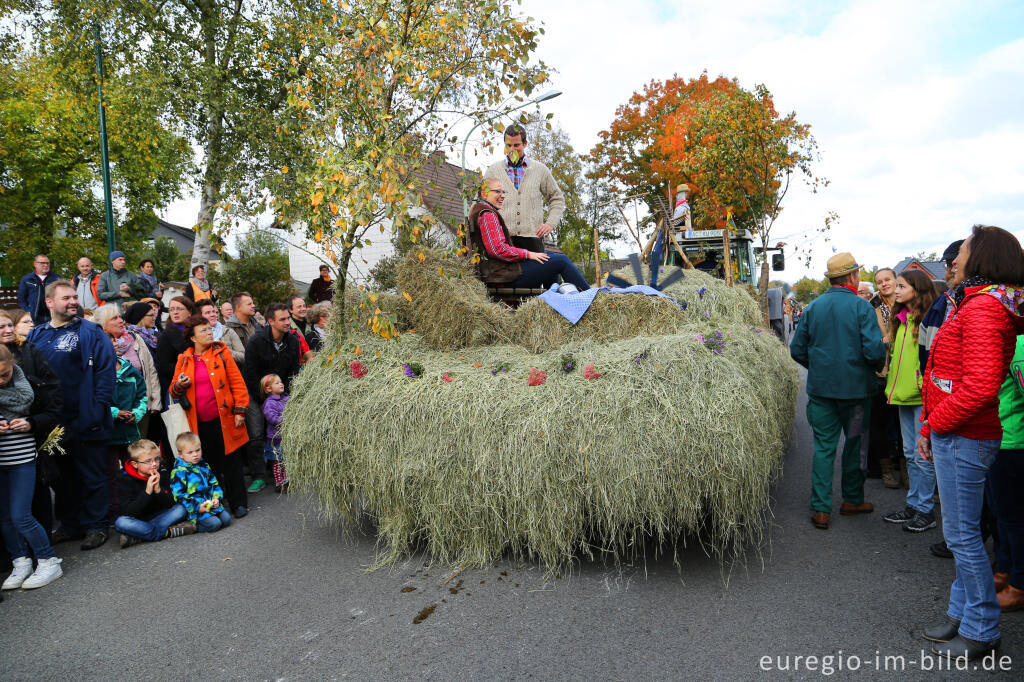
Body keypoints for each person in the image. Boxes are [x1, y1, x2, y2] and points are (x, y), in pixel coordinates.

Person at [919, 225, 1024, 660]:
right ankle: (961, 614)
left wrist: (934, 425)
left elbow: (980, 386)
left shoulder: (983, 309)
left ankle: (981, 629)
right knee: (964, 535)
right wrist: (932, 425)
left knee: (962, 536)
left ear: (979, 258)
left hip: (964, 434)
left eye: (961, 251)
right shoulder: (978, 303)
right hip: (958, 431)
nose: (954, 259)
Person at [790, 252, 886, 530]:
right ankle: (852, 500)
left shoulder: (813, 307)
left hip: (822, 391)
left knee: (823, 449)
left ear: (832, 279)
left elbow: (797, 349)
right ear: (853, 277)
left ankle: (821, 510)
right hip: (856, 393)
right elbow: (873, 350)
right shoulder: (861, 307)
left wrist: (819, 367)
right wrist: (875, 366)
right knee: (854, 446)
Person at [28, 280, 116, 550]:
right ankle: (71, 524)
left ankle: (96, 526)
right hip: (52, 425)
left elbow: (105, 372)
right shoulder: (37, 335)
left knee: (91, 474)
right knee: (61, 477)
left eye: (73, 297)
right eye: (65, 298)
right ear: (50, 303)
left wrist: (97, 408)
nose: (72, 302)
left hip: (86, 420)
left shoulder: (91, 332)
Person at [170, 314, 249, 517]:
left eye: (209, 329)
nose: (208, 332)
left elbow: (237, 382)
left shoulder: (221, 352)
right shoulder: (184, 358)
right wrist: (180, 385)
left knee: (231, 462)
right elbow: (173, 391)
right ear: (193, 338)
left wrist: (240, 409)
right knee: (208, 464)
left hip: (224, 417)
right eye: (203, 330)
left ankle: (239, 503)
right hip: (198, 421)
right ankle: (216, 503)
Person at [0, 345, 64, 591]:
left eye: (5, 374)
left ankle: (48, 560)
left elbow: (53, 413)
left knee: (21, 515)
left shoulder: (31, 384)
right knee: (5, 518)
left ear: (14, 364)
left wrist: (30, 423)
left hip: (23, 458)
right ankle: (20, 561)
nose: (2, 380)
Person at [880, 270, 938, 532]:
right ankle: (914, 504)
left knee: (922, 455)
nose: (897, 290)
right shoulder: (901, 320)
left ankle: (925, 509)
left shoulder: (926, 320)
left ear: (918, 289)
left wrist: (921, 385)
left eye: (902, 286)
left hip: (920, 396)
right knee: (910, 454)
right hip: (903, 394)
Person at [0, 310, 63, 537]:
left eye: (9, 325)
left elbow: (53, 399)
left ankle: (42, 548)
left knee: (37, 492)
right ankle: (15, 555)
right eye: (2, 327)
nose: (8, 330)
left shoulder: (29, 352)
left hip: (30, 441)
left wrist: (33, 422)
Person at [469, 178, 590, 292]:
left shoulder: (481, 211)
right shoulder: (487, 215)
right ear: (484, 194)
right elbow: (497, 249)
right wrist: (528, 254)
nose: (503, 195)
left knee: (550, 258)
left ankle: (553, 306)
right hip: (503, 277)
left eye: (503, 191)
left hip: (501, 274)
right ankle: (594, 299)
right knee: (561, 261)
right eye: (497, 191)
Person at [242, 303, 300, 494]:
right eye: (282, 319)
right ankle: (258, 475)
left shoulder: (292, 341)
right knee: (257, 432)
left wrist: (286, 398)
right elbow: (250, 373)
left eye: (287, 318)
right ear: (270, 321)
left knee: (282, 431)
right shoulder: (256, 342)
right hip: (256, 392)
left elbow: (293, 371)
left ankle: (283, 471)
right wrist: (262, 401)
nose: (287, 322)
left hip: (281, 392)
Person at [483, 123, 566, 253]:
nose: (512, 150)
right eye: (508, 145)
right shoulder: (493, 171)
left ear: (525, 144)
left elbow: (557, 198)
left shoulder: (540, 170)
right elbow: (481, 203)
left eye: (516, 145)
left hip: (533, 240)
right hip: (503, 241)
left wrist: (550, 223)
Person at [990, 334, 1024, 610]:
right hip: (997, 437)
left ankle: (1019, 585)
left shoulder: (1020, 342)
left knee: (1013, 519)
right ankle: (1003, 571)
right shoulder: (1010, 337)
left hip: (1013, 441)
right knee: (1001, 514)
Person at [94, 305, 161, 440]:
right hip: (110, 411)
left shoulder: (135, 338)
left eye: (120, 316)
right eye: (114, 318)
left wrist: (155, 401)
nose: (121, 321)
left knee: (140, 448)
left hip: (140, 406)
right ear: (103, 325)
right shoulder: (95, 345)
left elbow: (150, 369)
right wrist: (108, 353)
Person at [114, 439, 195, 548]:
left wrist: (158, 490)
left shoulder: (162, 470)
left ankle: (139, 536)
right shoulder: (124, 478)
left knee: (182, 507)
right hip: (139, 520)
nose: (154, 464)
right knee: (120, 522)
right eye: (148, 461)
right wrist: (147, 492)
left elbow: (171, 503)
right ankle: (168, 532)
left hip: (161, 516)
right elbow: (128, 512)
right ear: (135, 464)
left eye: (156, 459)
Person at [868, 266, 904, 489]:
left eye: (887, 279)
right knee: (880, 424)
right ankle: (886, 470)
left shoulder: (907, 301)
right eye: (879, 281)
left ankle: (906, 469)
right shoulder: (871, 306)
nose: (884, 284)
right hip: (881, 371)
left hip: (904, 370)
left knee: (902, 425)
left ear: (895, 279)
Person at [170, 431, 232, 533]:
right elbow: (179, 496)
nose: (195, 455)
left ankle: (211, 517)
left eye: (198, 450)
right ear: (181, 454)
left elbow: (214, 484)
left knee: (227, 520)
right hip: (196, 510)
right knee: (215, 524)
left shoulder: (204, 465)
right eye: (190, 452)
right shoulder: (178, 472)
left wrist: (216, 497)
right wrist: (197, 507)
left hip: (211, 504)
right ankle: (191, 527)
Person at [155, 296, 196, 397]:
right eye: (172, 309)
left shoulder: (196, 330)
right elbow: (163, 368)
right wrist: (191, 365)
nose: (175, 312)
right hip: (179, 388)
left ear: (190, 311)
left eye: (179, 309)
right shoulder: (165, 336)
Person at [260, 374, 289, 493]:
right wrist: (284, 419)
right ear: (268, 388)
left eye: (281, 382)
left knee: (286, 460)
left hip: (285, 436)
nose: (281, 384)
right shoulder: (269, 403)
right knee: (278, 461)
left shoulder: (285, 399)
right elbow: (271, 417)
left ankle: (287, 481)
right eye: (277, 383)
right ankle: (279, 483)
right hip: (275, 438)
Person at [198, 300, 244, 366]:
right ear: (200, 316)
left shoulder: (228, 331)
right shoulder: (196, 335)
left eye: (213, 311)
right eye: (207, 313)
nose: (213, 315)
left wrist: (224, 352)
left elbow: (243, 356)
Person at [17, 255, 59, 325]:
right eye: (42, 263)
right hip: (34, 317)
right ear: (35, 264)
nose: (45, 265)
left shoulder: (56, 278)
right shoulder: (27, 279)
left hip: (53, 316)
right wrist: (28, 311)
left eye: (47, 263)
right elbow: (21, 298)